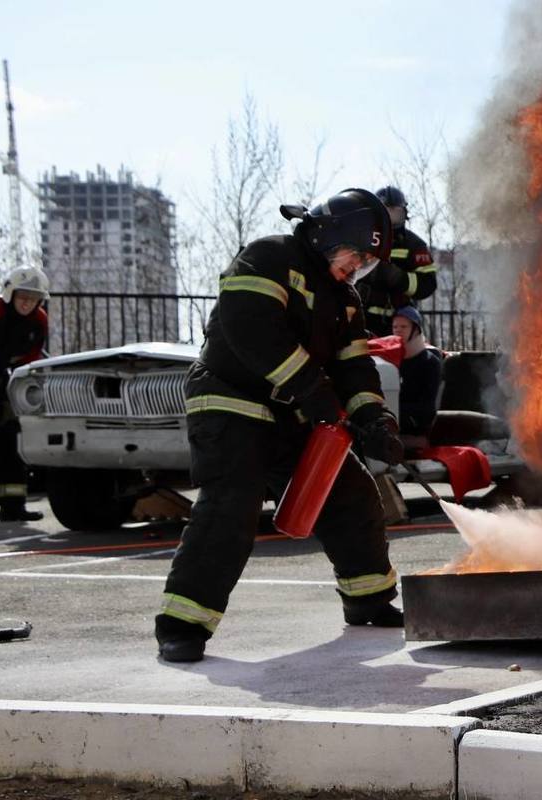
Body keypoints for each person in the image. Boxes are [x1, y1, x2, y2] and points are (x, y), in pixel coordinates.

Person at [155, 188, 406, 663]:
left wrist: (375, 418)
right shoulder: (267, 258)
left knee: (351, 492)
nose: (357, 267)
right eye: (355, 254)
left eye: (366, 262)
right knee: (232, 504)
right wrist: (317, 397)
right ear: (326, 235)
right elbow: (252, 333)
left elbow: (355, 366)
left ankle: (368, 598)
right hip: (231, 400)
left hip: (293, 409)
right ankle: (182, 624)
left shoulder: (345, 300)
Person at [0, 267, 50, 525]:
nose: (27, 302)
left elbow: (29, 362)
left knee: (11, 438)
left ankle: (13, 507)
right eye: (22, 295)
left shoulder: (38, 321)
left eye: (34, 297)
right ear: (10, 293)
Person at [354, 186, 437, 336]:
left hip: (397, 322)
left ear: (404, 214)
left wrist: (399, 278)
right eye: (385, 212)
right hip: (360, 319)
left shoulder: (414, 245)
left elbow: (428, 284)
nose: (390, 219)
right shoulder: (361, 241)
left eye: (395, 212)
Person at [391, 305, 443, 450]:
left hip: (414, 430)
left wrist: (393, 411)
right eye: (395, 327)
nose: (398, 330)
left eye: (404, 326)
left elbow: (427, 409)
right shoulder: (390, 360)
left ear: (416, 330)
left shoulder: (430, 363)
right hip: (390, 426)